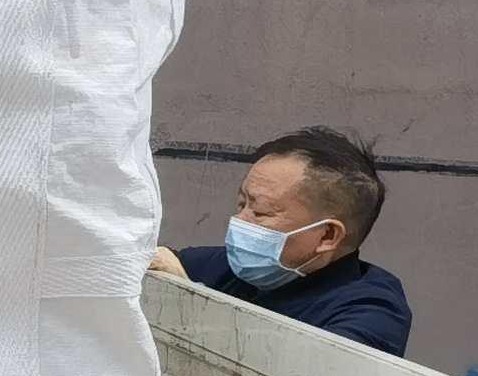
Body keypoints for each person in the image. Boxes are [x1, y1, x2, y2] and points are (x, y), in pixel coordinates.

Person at [150, 126, 410, 353]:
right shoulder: (236, 269)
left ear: (327, 235)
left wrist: (193, 301)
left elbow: (309, 371)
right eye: (242, 203)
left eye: (260, 212)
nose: (240, 221)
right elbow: (163, 261)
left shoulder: (371, 311)